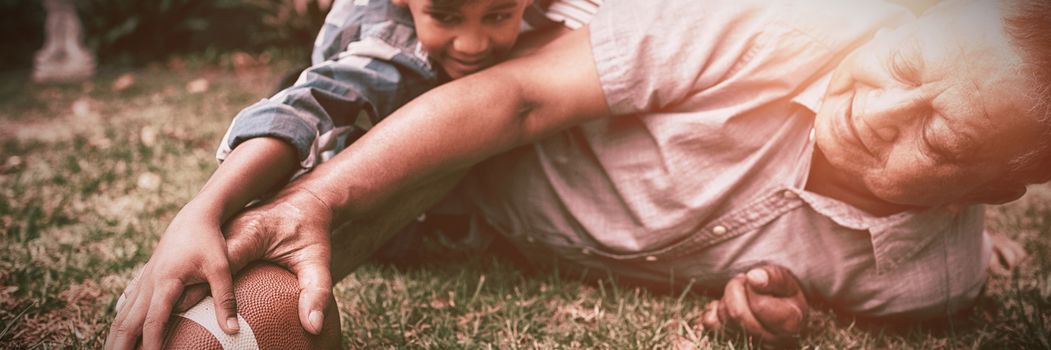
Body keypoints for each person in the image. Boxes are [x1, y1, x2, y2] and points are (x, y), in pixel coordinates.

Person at [109, 0, 1051, 347]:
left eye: (936, 136)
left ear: (999, 186)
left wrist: (768, 315)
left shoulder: (928, 287)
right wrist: (312, 198)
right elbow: (512, 100)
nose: (874, 113)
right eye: (903, 70)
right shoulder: (778, 25)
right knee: (271, 255)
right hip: (449, 135)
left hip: (465, 237)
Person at [103, 0, 602, 348]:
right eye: (445, 15)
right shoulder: (391, 47)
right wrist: (203, 210)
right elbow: (314, 105)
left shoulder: (566, 19)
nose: (473, 42)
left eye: (497, 14)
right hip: (356, 125)